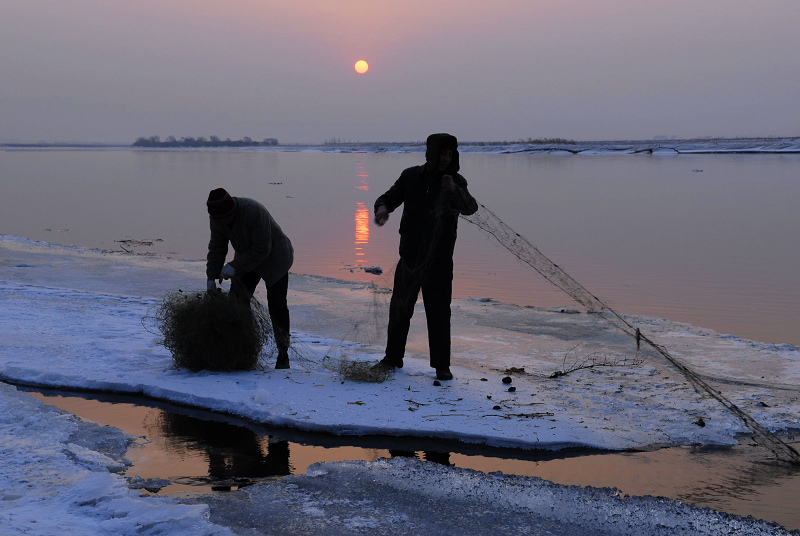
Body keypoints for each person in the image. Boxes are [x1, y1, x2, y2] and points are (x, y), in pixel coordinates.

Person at [372, 133, 479, 380]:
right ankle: (392, 358)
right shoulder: (410, 176)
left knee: (439, 312)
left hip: (439, 261)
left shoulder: (456, 181)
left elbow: (471, 208)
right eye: (442, 153)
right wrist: (382, 209)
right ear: (431, 154)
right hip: (409, 257)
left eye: (450, 155)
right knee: (399, 309)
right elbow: (389, 197)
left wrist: (453, 190)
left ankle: (442, 366)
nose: (446, 159)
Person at [206, 188, 294, 369]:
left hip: (275, 258)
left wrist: (234, 266)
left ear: (232, 211)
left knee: (277, 306)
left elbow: (263, 249)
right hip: (246, 260)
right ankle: (241, 348)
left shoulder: (253, 211)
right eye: (219, 220)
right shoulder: (217, 219)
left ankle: (283, 353)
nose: (223, 222)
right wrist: (211, 278)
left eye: (226, 218)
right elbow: (217, 247)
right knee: (236, 302)